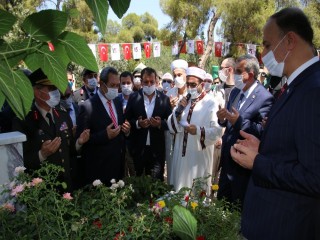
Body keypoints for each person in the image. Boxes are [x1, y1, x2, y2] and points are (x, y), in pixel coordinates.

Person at [230, 8, 320, 239]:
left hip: (285, 226)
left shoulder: (313, 90)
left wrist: (258, 161)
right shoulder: (295, 85)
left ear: (289, 40)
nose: (262, 54)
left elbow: (314, 177)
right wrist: (263, 148)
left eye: (267, 45)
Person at [12, 68, 90, 192]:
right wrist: (42, 154)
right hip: (43, 191)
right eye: (51, 88)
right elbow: (19, 162)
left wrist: (79, 142)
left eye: (56, 88)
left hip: (66, 187)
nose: (56, 92)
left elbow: (68, 151)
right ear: (37, 92)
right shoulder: (24, 120)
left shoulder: (63, 115)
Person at [216, 54, 274, 208]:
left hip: (243, 167)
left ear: (249, 74)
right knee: (221, 207)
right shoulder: (235, 92)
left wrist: (239, 122)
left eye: (237, 71)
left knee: (238, 210)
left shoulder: (265, 98)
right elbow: (228, 120)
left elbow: (263, 131)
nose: (233, 74)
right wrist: (222, 118)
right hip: (227, 160)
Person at [167, 66, 222, 193]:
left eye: (193, 84)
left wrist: (197, 130)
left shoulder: (211, 103)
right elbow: (171, 127)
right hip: (180, 154)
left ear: (202, 84)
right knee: (179, 192)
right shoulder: (183, 100)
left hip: (198, 158)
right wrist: (178, 112)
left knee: (196, 194)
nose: (190, 87)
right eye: (188, 84)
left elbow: (217, 132)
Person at [76, 67, 131, 185]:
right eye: (112, 85)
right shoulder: (87, 107)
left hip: (117, 167)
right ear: (101, 84)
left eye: (117, 85)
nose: (115, 89)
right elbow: (82, 140)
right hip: (98, 171)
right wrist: (104, 135)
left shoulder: (117, 102)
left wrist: (126, 131)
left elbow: (120, 128)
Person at [125, 67, 172, 181]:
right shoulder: (133, 97)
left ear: (156, 81)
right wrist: (137, 123)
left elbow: (170, 122)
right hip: (138, 149)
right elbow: (126, 119)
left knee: (156, 183)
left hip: (157, 150)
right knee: (139, 184)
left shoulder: (164, 99)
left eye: (152, 82)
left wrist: (160, 124)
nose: (149, 84)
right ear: (141, 82)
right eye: (146, 82)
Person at [165, 59, 188, 184]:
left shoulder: (191, 93)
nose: (177, 78)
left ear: (186, 75)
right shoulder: (169, 93)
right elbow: (165, 116)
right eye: (175, 75)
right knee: (172, 166)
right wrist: (170, 107)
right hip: (172, 136)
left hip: (186, 135)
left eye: (180, 75)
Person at [116, 71, 135, 177]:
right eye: (123, 83)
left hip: (133, 141)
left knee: (134, 172)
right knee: (122, 173)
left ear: (132, 83)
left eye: (128, 83)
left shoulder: (138, 98)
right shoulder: (115, 100)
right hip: (119, 141)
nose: (126, 85)